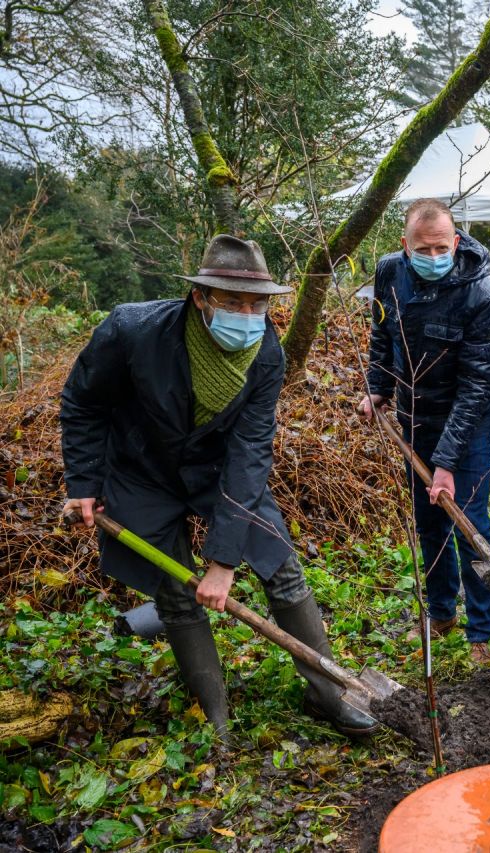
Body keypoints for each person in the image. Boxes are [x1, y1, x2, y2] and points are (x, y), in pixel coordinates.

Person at [61, 235, 377, 739]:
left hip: (218, 471)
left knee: (282, 568)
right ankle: (217, 717)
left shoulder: (266, 355)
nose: (247, 314)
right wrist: (82, 481)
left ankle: (329, 696)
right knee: (176, 590)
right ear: (200, 298)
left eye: (257, 303)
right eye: (232, 302)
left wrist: (224, 560)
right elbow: (83, 403)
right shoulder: (132, 330)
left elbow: (250, 453)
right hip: (141, 469)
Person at [358, 199, 490, 665]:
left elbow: (476, 385)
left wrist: (446, 464)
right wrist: (379, 387)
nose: (434, 255)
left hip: (469, 417)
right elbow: (382, 334)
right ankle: (441, 613)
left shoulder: (484, 296)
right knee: (429, 521)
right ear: (405, 246)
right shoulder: (389, 273)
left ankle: (482, 629)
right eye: (423, 248)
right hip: (416, 411)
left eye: (442, 246)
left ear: (456, 242)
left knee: (468, 520)